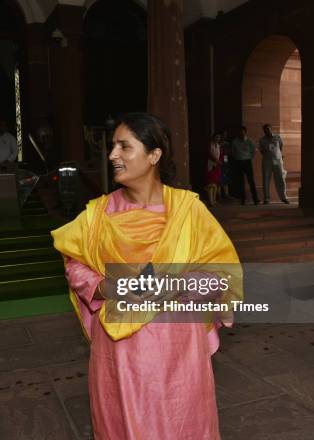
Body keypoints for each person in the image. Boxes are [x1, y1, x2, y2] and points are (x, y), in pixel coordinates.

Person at [52, 113, 242, 439]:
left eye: (125, 147)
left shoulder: (188, 210)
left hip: (179, 349)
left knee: (182, 423)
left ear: (154, 155)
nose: (113, 155)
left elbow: (221, 272)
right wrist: (103, 286)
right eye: (113, 147)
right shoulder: (98, 213)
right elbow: (74, 262)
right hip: (120, 352)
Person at [259, 123, 289, 204]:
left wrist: (278, 155)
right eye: (265, 130)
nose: (267, 131)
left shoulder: (277, 137)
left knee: (280, 179)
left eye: (268, 129)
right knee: (266, 180)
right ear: (263, 131)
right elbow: (261, 150)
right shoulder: (262, 140)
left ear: (271, 129)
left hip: (277, 160)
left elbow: (281, 146)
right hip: (266, 161)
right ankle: (266, 199)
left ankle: (283, 197)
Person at [231, 125, 260, 205]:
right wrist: (238, 158)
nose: (241, 133)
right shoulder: (235, 141)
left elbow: (253, 151)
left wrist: (249, 158)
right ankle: (243, 199)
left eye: (242, 132)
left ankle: (255, 199)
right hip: (238, 162)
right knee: (240, 182)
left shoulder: (249, 141)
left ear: (245, 132)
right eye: (240, 132)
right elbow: (233, 152)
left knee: (251, 181)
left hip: (247, 162)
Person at [205, 133, 223, 206]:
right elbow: (209, 154)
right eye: (216, 137)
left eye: (219, 137)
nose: (218, 139)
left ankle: (214, 200)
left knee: (215, 184)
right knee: (210, 184)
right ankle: (211, 201)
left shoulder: (218, 146)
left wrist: (220, 162)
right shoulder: (210, 145)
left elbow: (221, 155)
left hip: (217, 165)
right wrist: (216, 160)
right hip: (211, 165)